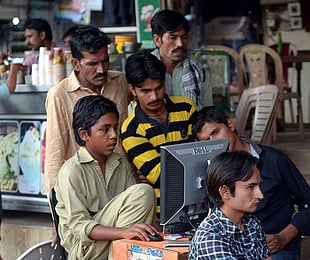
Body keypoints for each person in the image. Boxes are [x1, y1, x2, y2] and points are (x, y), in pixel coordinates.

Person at [54, 95, 158, 260]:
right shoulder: (71, 172)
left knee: (143, 209)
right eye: (105, 129)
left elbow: (129, 216)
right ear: (84, 134)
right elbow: (79, 227)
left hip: (112, 247)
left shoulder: (119, 162)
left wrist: (140, 229)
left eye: (116, 127)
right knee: (144, 192)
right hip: (87, 250)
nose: (114, 135)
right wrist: (124, 233)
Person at [193, 106, 310, 260]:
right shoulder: (212, 172)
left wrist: (284, 237)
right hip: (235, 250)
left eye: (216, 132)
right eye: (206, 140)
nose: (214, 143)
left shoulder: (274, 160)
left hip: (277, 249)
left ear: (230, 124)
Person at [45, 25, 130, 194]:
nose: (101, 69)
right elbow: (54, 155)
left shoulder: (120, 81)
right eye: (93, 64)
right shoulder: (59, 95)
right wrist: (57, 209)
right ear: (75, 64)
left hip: (121, 182)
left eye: (105, 61)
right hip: (84, 189)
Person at [120, 51, 197, 217]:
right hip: (161, 212)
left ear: (164, 83)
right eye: (145, 91)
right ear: (132, 90)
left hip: (199, 204)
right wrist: (195, 166)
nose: (154, 97)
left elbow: (209, 157)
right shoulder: (131, 130)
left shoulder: (187, 108)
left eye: (158, 88)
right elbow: (161, 176)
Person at [150, 9, 213, 109]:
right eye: (173, 37)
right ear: (157, 40)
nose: (180, 44)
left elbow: (208, 111)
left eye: (184, 37)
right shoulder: (144, 71)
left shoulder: (200, 71)